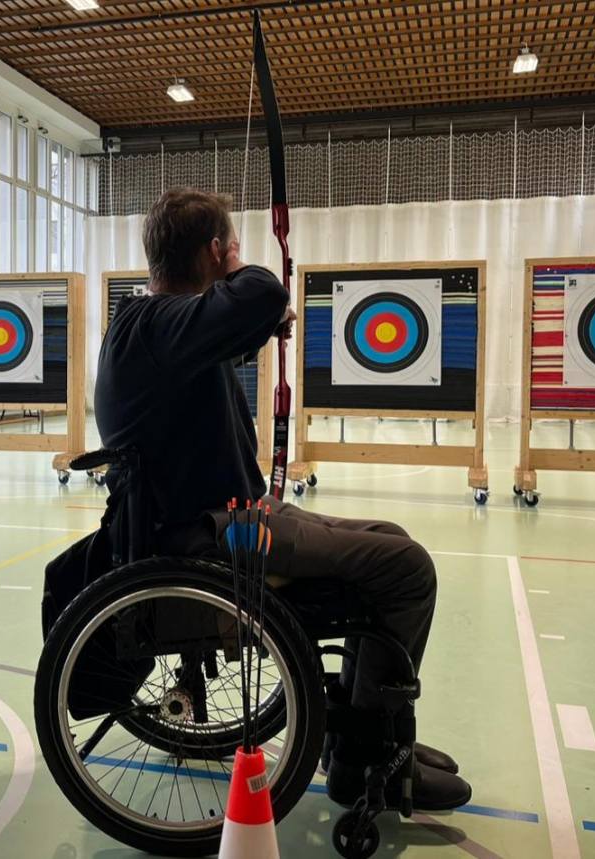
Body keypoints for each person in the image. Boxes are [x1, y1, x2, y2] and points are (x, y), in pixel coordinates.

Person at [93, 187, 472, 811]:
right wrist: (245, 274)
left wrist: (259, 325)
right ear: (214, 252)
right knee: (407, 570)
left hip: (227, 519)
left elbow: (231, 332)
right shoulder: (160, 324)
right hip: (221, 535)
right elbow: (263, 292)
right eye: (227, 246)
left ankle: (366, 736)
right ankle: (367, 759)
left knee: (391, 540)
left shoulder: (146, 324)